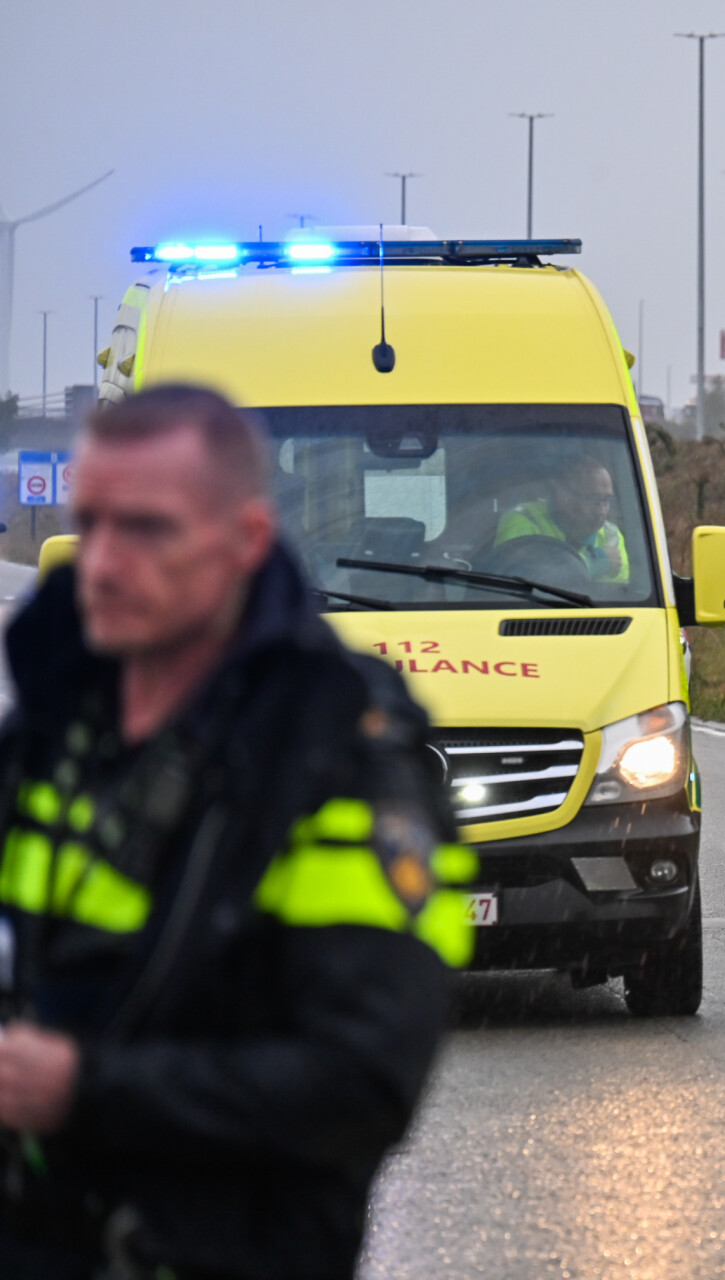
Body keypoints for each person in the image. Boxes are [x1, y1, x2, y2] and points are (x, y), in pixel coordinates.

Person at [0, 385, 472, 1279]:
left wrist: (83, 1091)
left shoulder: (337, 756)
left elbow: (358, 1084)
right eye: (89, 524)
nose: (101, 564)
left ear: (244, 544)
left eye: (146, 530)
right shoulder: (56, 724)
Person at [491, 452, 629, 584]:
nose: (601, 511)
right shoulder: (523, 520)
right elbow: (517, 582)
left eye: (606, 500)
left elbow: (616, 596)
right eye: (592, 499)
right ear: (562, 495)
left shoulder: (611, 534)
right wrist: (591, 563)